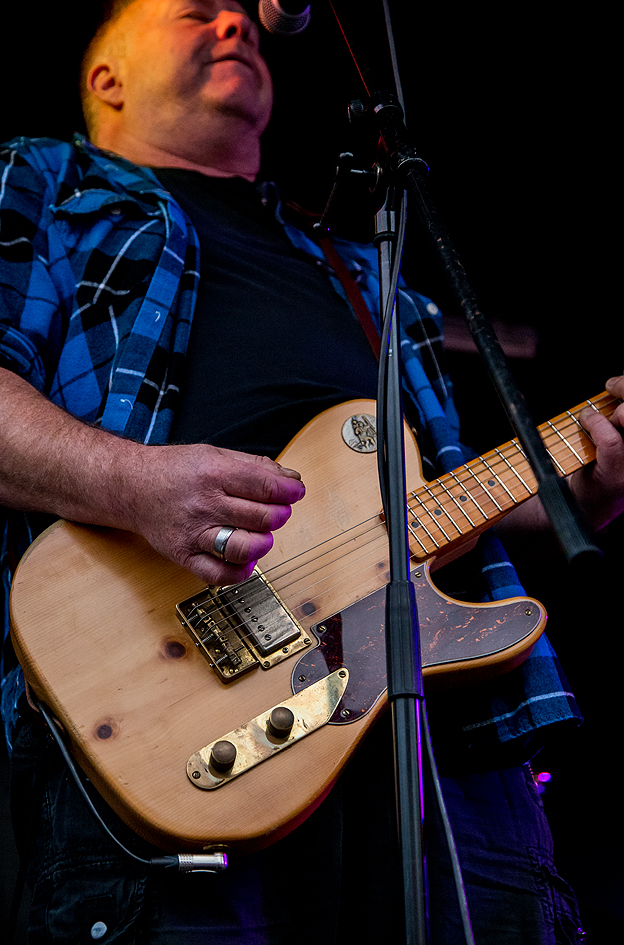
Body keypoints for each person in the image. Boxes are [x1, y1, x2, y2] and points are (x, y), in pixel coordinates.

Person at [1, 1, 623, 941]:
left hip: (438, 732)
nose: (235, 25)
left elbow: (443, 495)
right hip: (159, 693)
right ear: (107, 78)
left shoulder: (368, 270)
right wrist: (133, 483)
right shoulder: (45, 181)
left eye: (242, 21)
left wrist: (583, 482)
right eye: (196, 12)